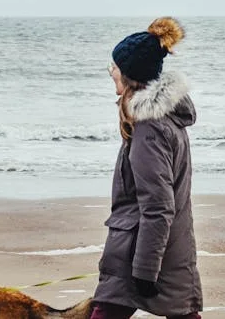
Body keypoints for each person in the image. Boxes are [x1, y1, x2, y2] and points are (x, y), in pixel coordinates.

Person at [91, 17, 203, 319]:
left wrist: (144, 270)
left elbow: (158, 206)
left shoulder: (149, 129)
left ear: (129, 76)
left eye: (114, 67)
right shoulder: (161, 121)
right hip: (161, 249)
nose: (111, 72)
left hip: (141, 255)